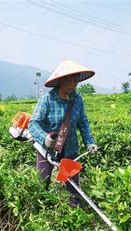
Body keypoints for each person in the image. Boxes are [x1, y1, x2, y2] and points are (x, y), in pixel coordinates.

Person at [28, 59, 98, 207]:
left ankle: (74, 213)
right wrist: (44, 138)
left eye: (76, 81)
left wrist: (89, 142)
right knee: (42, 182)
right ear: (61, 81)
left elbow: (83, 124)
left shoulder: (78, 100)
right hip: (47, 149)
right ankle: (41, 213)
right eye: (70, 81)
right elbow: (33, 123)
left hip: (70, 149)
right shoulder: (47, 100)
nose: (74, 85)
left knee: (73, 186)